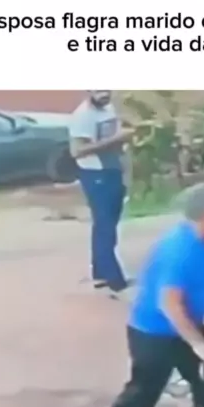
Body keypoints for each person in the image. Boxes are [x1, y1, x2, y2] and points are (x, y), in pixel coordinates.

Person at [93, 183, 204, 407]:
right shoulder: (179, 250)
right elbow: (170, 305)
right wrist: (198, 344)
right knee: (145, 389)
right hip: (154, 331)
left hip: (187, 322)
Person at [69, 91, 132, 297]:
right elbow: (76, 151)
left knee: (108, 224)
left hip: (113, 170)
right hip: (95, 173)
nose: (104, 93)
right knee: (105, 226)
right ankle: (115, 280)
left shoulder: (108, 108)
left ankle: (100, 274)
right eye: (98, 89)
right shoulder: (82, 116)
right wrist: (115, 140)